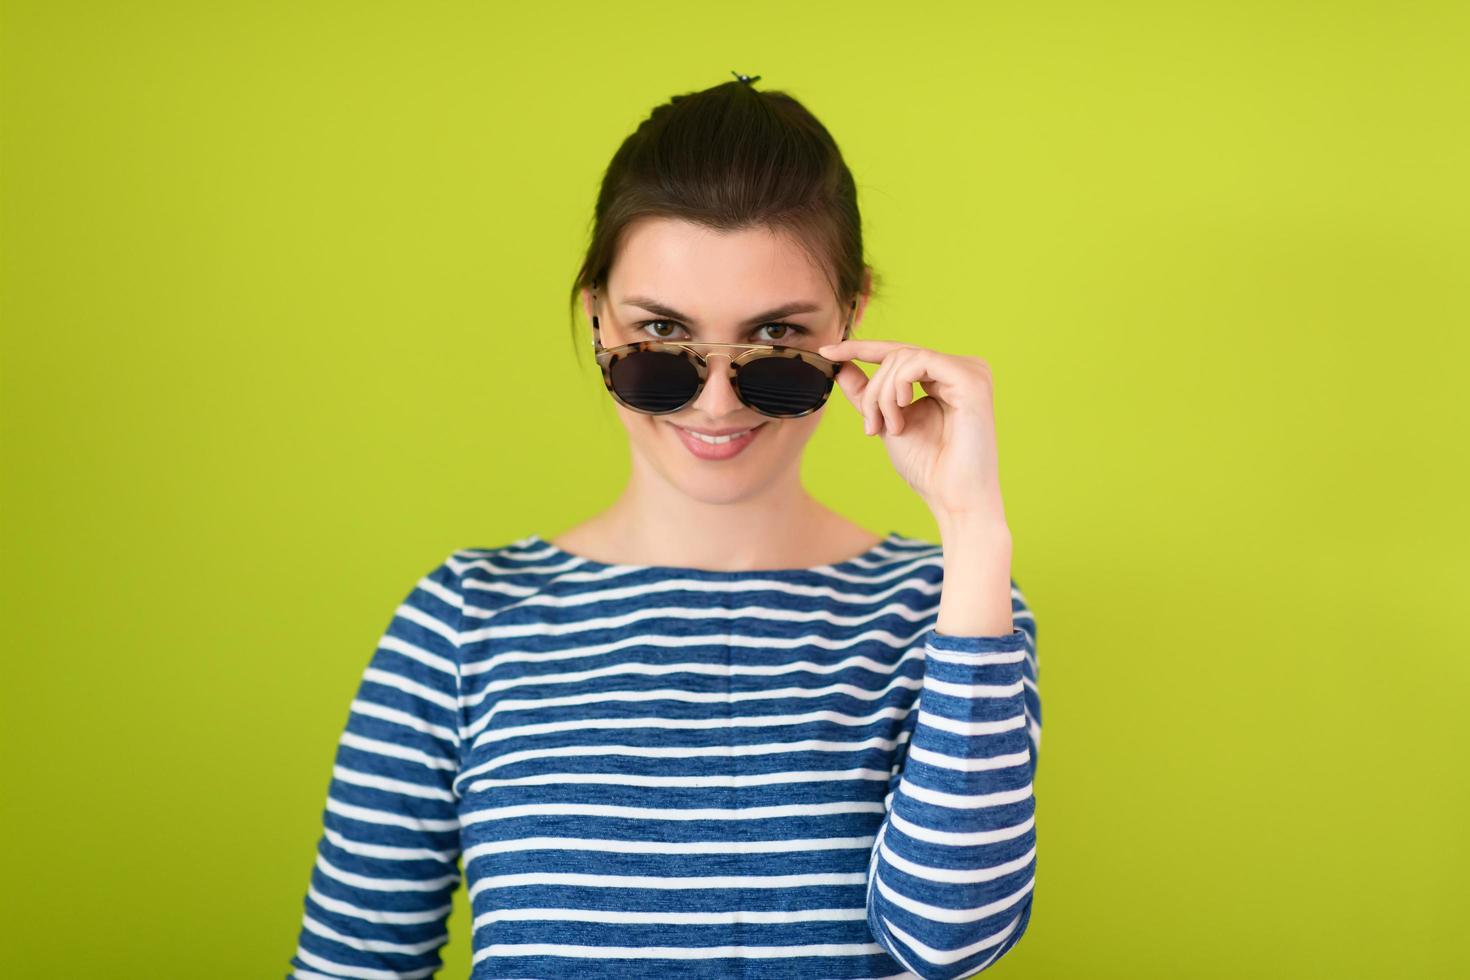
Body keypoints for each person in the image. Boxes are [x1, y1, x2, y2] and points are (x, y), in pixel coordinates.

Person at [287, 72, 1041, 980]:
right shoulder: (462, 623)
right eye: (660, 339)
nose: (717, 403)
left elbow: (948, 942)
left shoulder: (954, 609)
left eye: (773, 344)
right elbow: (351, 966)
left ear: (854, 320)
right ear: (596, 313)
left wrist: (974, 528)